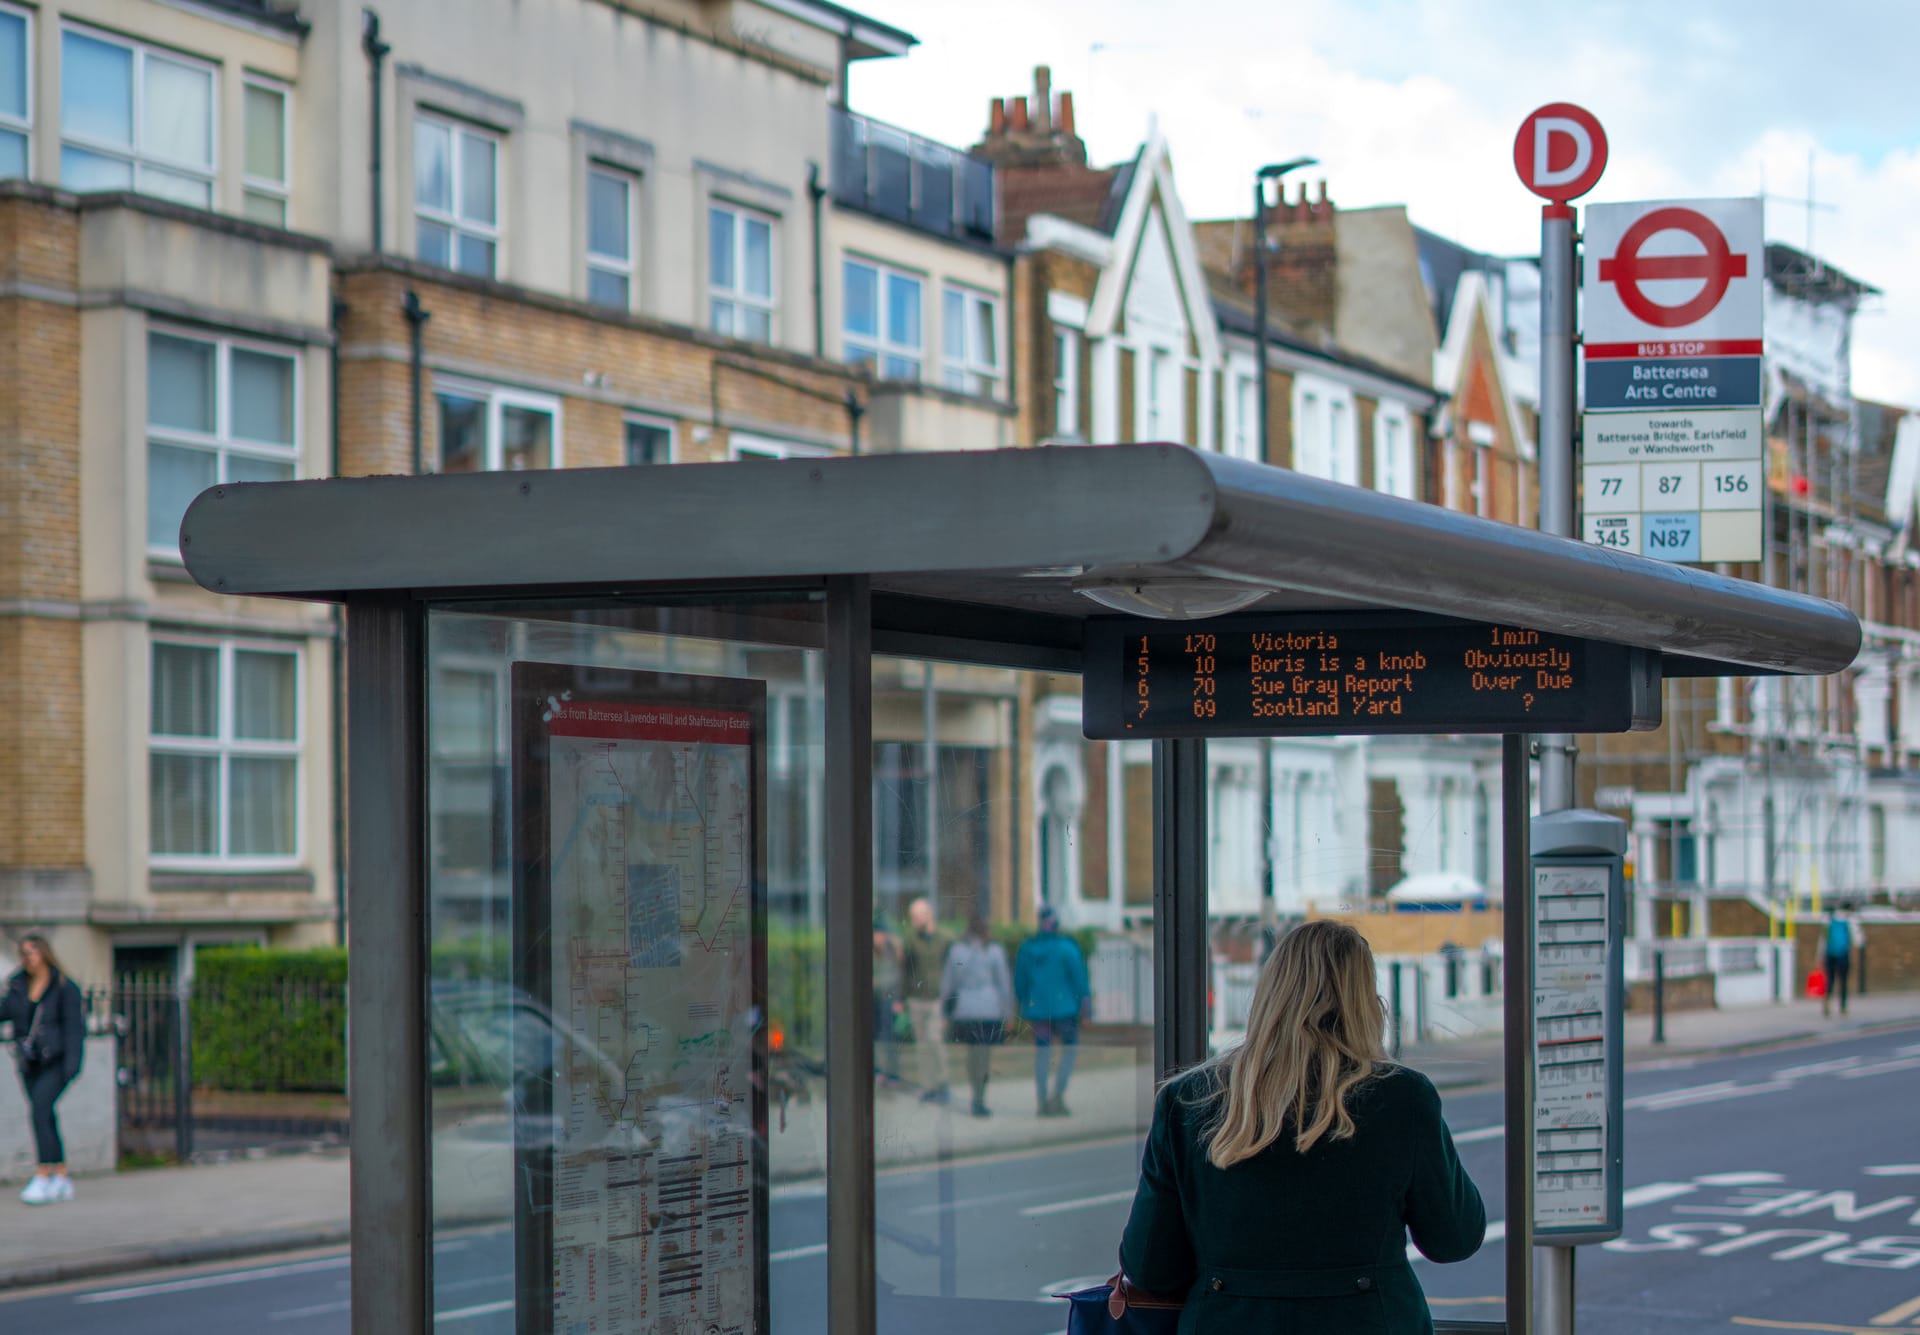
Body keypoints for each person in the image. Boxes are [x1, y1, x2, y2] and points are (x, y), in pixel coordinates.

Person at [1119, 920, 1484, 1333]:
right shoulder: (1402, 1097)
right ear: (1366, 1002)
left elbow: (1150, 1267)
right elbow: (1453, 1239)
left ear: (1268, 994)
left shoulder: (1188, 1100)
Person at [2, 934, 87, 1205]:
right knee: (45, 1115)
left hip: (57, 1061)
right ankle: (61, 1176)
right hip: (30, 1063)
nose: (28, 958)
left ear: (44, 953)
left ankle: (43, 1173)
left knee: (40, 1110)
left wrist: (73, 1065)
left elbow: (75, 1028)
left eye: (33, 952)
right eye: (24, 953)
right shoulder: (18, 986)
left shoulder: (63, 987)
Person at [1015, 905, 1090, 1116]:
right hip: (1065, 1010)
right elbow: (1080, 981)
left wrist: (1023, 1003)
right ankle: (1058, 1096)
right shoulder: (1067, 947)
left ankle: (1042, 1101)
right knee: (1069, 1051)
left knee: (1042, 1055)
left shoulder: (1027, 949)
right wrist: (1086, 1009)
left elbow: (1020, 983)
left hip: (1039, 1012)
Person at [941, 915, 1012, 1119]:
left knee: (972, 1054)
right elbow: (1003, 984)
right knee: (984, 1055)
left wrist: (945, 1010)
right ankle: (979, 1098)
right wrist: (1007, 1012)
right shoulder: (994, 951)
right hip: (988, 1009)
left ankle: (975, 1092)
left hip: (965, 1009)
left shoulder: (957, 951)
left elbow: (949, 983)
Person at [900, 897, 953, 1104]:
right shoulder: (911, 940)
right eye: (912, 916)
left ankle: (943, 1082)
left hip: (937, 998)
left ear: (928, 914)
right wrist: (902, 997)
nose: (913, 920)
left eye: (916, 915)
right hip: (917, 998)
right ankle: (928, 1085)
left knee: (935, 1040)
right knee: (922, 1045)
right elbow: (905, 969)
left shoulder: (946, 939)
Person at [872, 913, 904, 1087]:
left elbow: (896, 977)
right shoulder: (872, 951)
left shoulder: (892, 951)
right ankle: (879, 1070)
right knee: (876, 1036)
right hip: (874, 1000)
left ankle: (891, 1072)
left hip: (887, 999)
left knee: (889, 1036)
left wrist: (898, 999)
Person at [1822, 904, 1854, 1018]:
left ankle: (1827, 1003)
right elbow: (1858, 940)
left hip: (1830, 954)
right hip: (1843, 955)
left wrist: (1819, 958)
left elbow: (1823, 940)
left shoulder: (1830, 920)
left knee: (1830, 980)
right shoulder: (1848, 921)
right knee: (1843, 982)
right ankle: (1843, 1008)